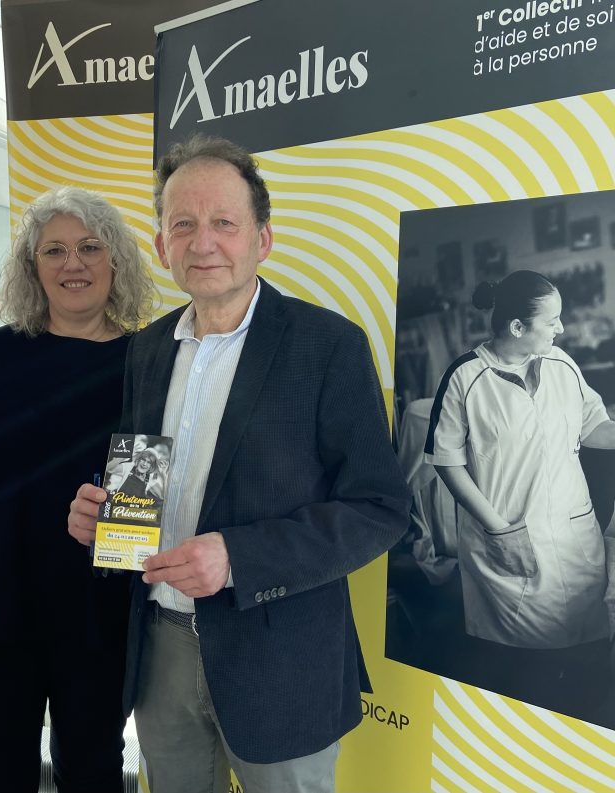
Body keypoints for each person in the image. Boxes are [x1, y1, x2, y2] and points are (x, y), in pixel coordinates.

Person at [68, 135, 410, 793]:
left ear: (263, 238)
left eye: (224, 222)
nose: (203, 243)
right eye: (183, 225)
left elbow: (380, 509)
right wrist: (103, 523)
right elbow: (141, 484)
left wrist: (237, 558)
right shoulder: (146, 350)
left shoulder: (328, 347)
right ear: (162, 245)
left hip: (281, 658)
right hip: (160, 650)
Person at [0, 186, 155, 792]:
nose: (74, 263)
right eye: (55, 250)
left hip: (100, 622)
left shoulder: (146, 366)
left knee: (93, 774)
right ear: (31, 267)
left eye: (90, 247)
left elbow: (144, 508)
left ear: (115, 260)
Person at [425, 270, 615, 718]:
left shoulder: (562, 364)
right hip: (507, 535)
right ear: (516, 327)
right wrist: (498, 529)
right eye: (552, 321)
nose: (561, 328)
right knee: (529, 673)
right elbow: (447, 462)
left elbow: (595, 428)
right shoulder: (465, 377)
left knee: (588, 656)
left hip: (572, 533)